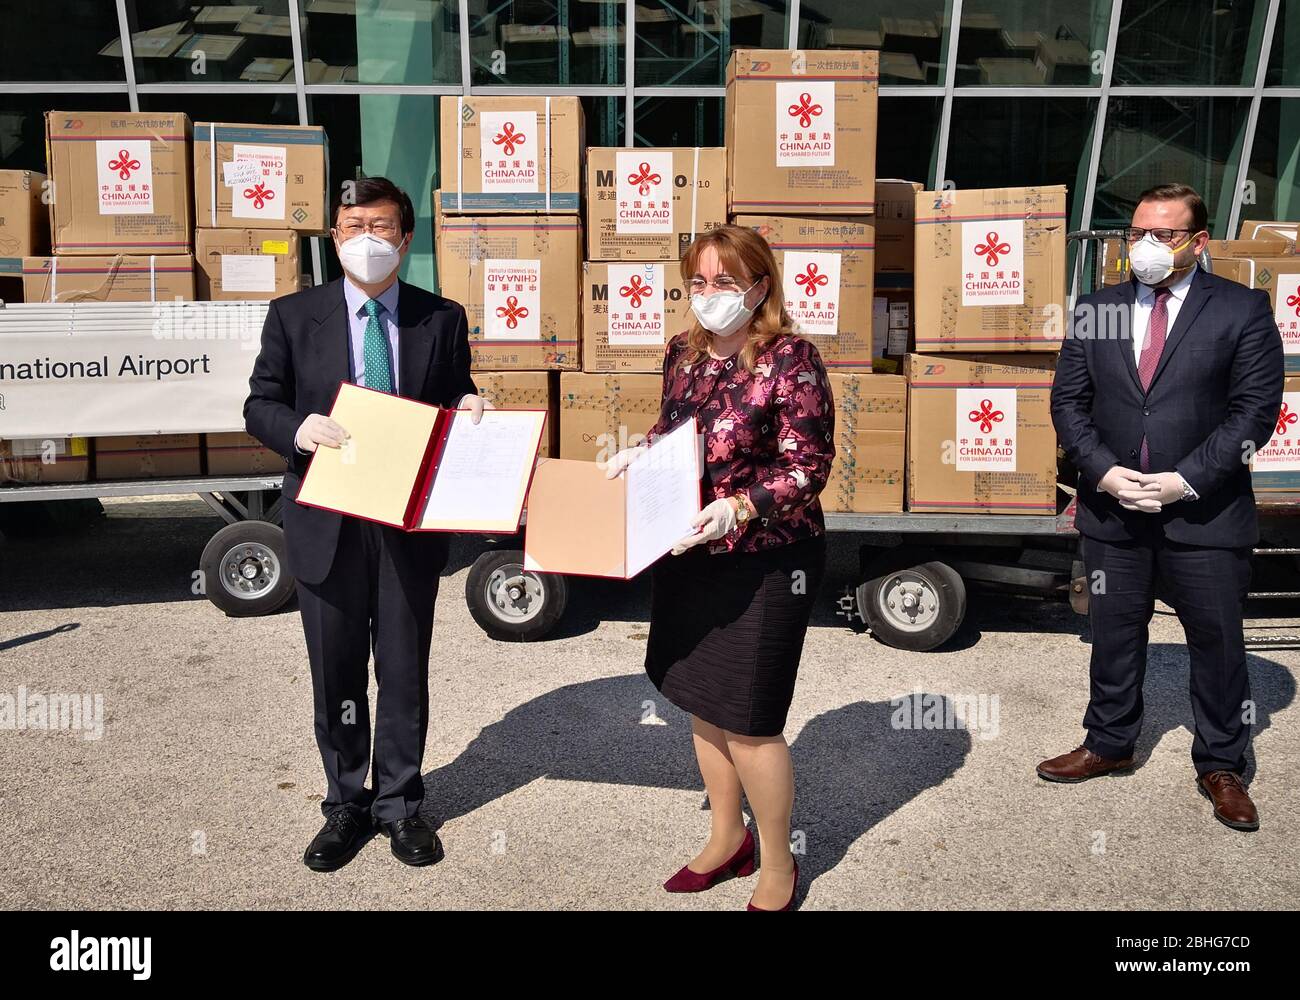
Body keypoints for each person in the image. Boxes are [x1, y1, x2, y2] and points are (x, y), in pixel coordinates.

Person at [244, 176, 492, 871]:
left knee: (405, 669)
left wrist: (471, 404)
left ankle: (400, 805)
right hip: (327, 520)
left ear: (405, 239)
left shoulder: (438, 316)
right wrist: (298, 430)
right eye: (353, 226)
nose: (366, 240)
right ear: (334, 236)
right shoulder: (294, 316)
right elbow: (258, 404)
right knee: (337, 669)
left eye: (381, 228)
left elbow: (453, 391)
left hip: (406, 522)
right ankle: (346, 804)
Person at [604, 225, 835, 909]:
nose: (709, 296)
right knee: (703, 705)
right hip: (688, 551)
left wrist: (742, 505)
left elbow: (808, 465)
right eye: (698, 282)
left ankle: (776, 863)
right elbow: (672, 432)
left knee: (751, 721)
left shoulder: (792, 359)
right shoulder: (685, 352)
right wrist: (634, 456)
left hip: (767, 561)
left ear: (760, 287)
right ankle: (725, 835)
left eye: (725, 282)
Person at [1043, 183, 1283, 831]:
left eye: (1165, 235)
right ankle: (1109, 742)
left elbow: (1254, 412)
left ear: (1199, 242)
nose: (1146, 247)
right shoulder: (1098, 308)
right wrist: (1103, 470)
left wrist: (1186, 480)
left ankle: (1222, 763)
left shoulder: (1241, 309)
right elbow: (1069, 402)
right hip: (1114, 511)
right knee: (1114, 635)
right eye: (1137, 233)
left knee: (1217, 643)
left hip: (1204, 515)